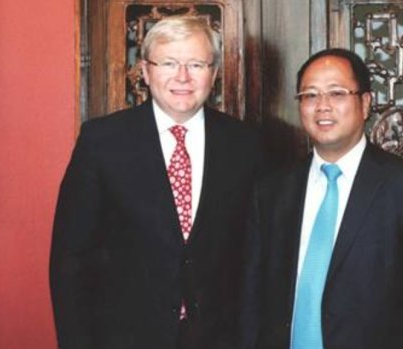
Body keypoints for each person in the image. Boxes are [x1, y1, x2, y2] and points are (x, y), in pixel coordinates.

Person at [50, 15, 261, 349]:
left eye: (196, 64)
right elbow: (70, 259)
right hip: (123, 337)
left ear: (214, 74)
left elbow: (256, 257)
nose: (182, 77)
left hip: (220, 337)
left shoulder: (247, 145)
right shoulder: (102, 141)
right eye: (168, 63)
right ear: (145, 72)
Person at [240, 48, 403, 349]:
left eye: (337, 93)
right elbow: (252, 298)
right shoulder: (272, 191)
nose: (322, 106)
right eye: (310, 95)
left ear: (365, 103)